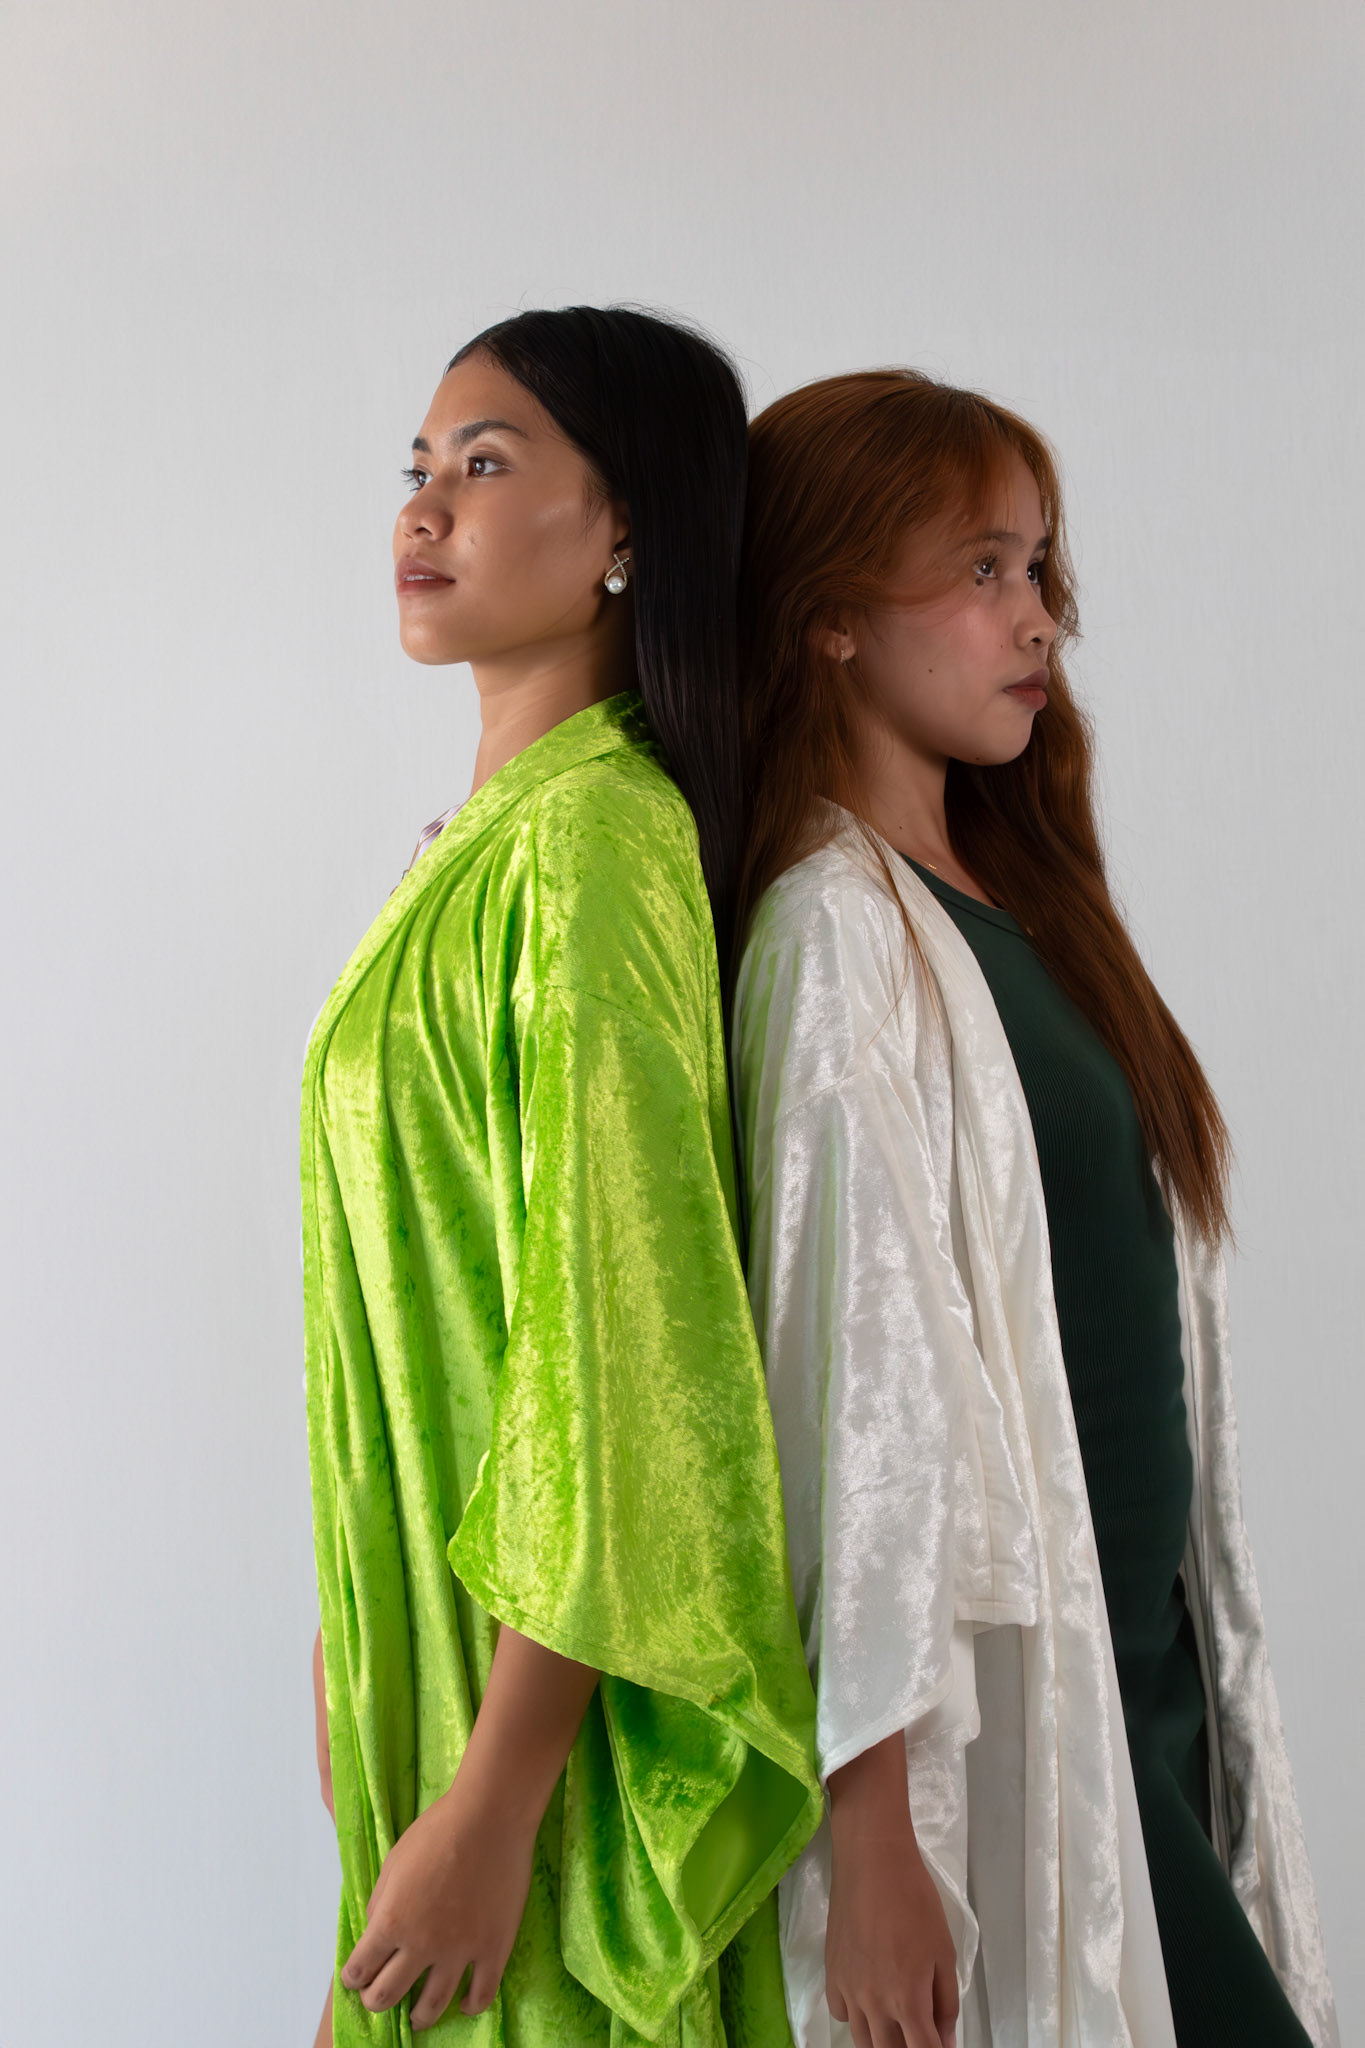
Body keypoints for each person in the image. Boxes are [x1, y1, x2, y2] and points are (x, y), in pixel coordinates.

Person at [729, 369, 1338, 2048]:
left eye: (1042, 568)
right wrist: (868, 1831)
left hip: (1140, 1676)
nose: (1039, 618)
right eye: (982, 569)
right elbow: (837, 1402)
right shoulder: (832, 932)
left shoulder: (1015, 902)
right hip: (1009, 1722)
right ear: (831, 614)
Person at [303, 306, 821, 2047]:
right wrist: (348, 1642)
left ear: (626, 532)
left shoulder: (594, 850)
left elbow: (620, 1362)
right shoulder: (489, 849)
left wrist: (497, 1803)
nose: (422, 508)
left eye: (484, 462)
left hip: (533, 1736)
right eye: (419, 468)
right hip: (436, 1665)